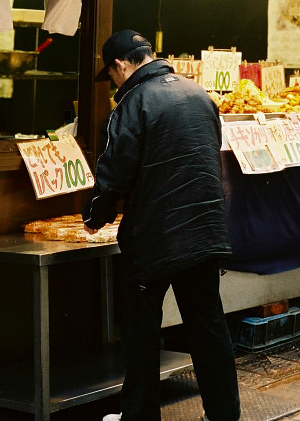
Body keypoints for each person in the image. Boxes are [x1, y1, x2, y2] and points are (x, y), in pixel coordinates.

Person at [83, 30, 241, 421]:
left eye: (113, 75)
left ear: (120, 65)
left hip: (155, 236)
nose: (115, 84)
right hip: (205, 230)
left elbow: (115, 172)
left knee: (141, 332)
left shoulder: (135, 102)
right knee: (208, 328)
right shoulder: (199, 94)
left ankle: (139, 416)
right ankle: (224, 415)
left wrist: (94, 217)